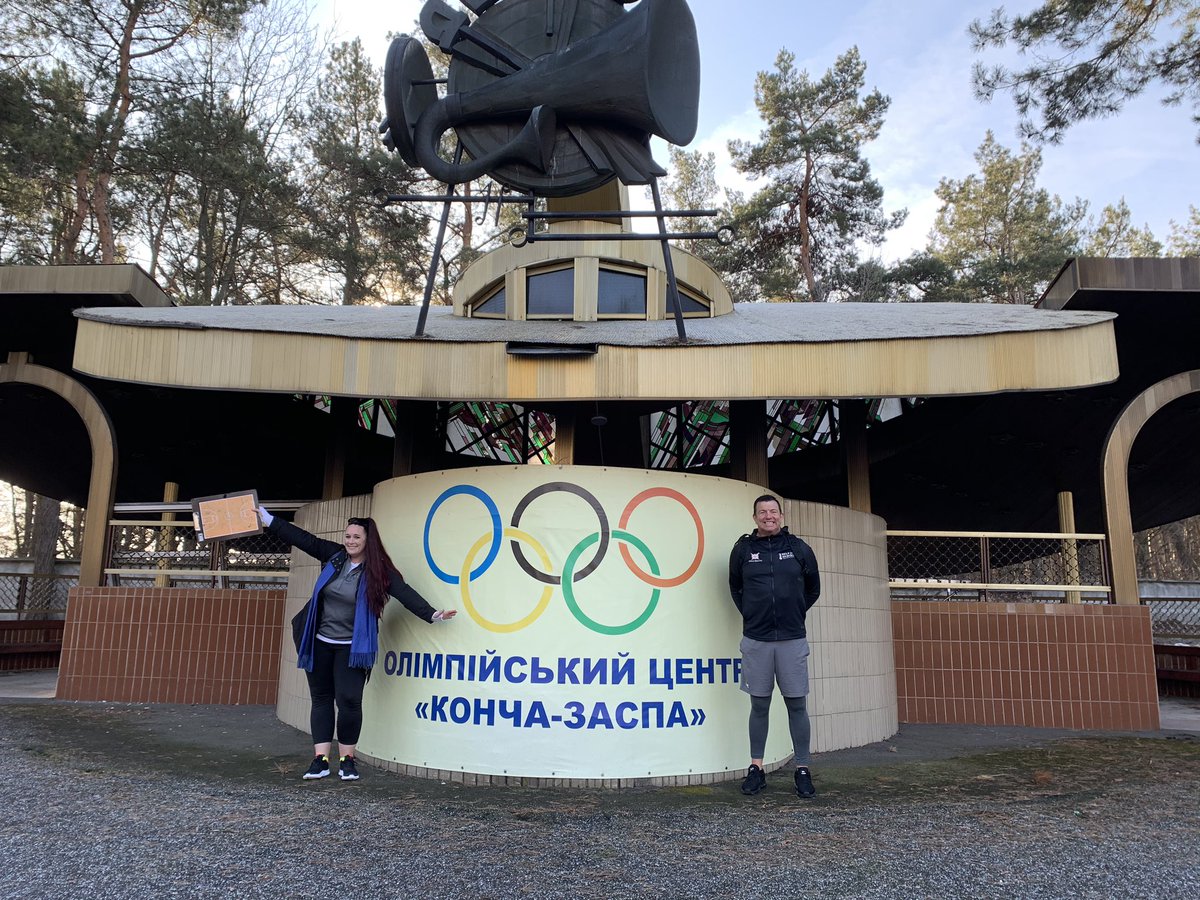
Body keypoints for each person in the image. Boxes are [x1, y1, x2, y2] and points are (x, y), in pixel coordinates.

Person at [259, 507, 456, 781]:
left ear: (368, 541)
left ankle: (347, 760)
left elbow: (404, 592)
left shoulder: (378, 571)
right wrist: (269, 520)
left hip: (352, 647)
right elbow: (303, 539)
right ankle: (320, 760)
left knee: (349, 700)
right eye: (348, 536)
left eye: (356, 537)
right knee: (321, 698)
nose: (350, 541)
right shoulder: (335, 556)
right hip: (319, 641)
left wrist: (432, 614)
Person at [728, 494, 821, 798]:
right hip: (757, 640)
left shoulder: (798, 548)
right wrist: (753, 614)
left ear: (781, 515)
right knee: (759, 705)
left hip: (792, 639)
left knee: (797, 705)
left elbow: (813, 589)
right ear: (754, 518)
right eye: (762, 512)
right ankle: (756, 768)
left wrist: (794, 612)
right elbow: (735, 587)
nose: (768, 516)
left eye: (773, 511)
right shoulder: (743, 550)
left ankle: (803, 769)